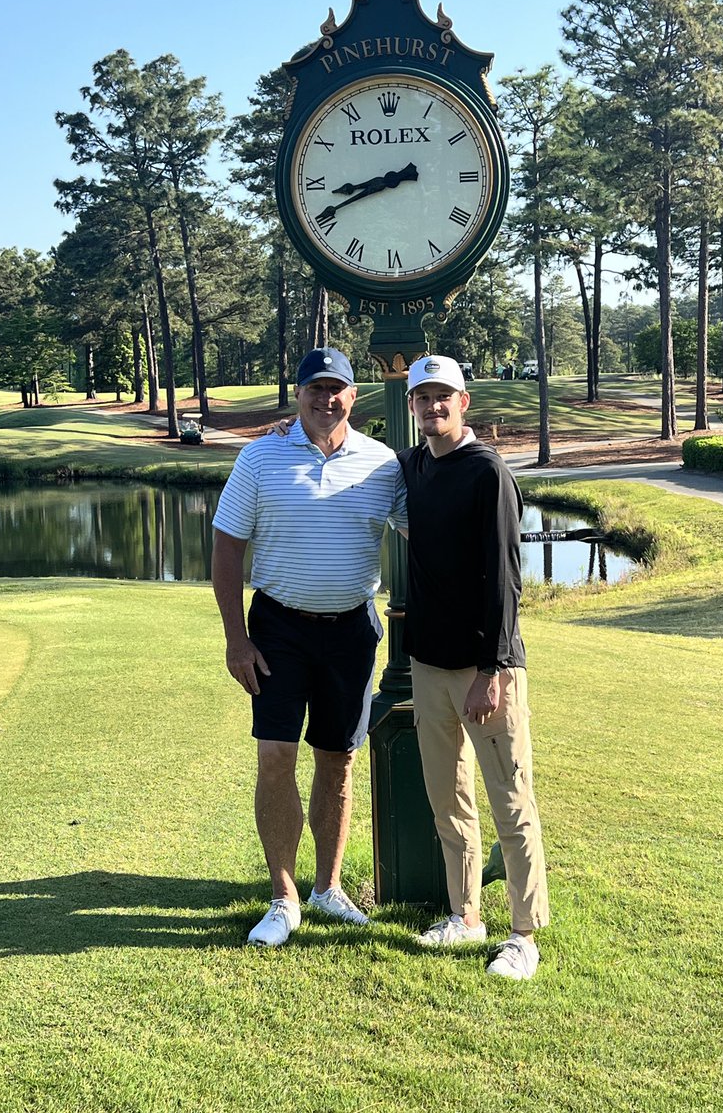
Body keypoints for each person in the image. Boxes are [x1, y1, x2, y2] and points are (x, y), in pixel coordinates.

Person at [211, 347, 407, 948]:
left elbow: (423, 531)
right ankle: (283, 895)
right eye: (315, 389)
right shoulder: (259, 458)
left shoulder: (383, 464)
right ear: (298, 394)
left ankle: (327, 886)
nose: (326, 400)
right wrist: (236, 640)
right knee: (276, 757)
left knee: (339, 761)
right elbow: (226, 549)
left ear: (354, 396)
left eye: (337, 390)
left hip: (351, 630)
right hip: (277, 630)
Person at [399, 355, 549, 980]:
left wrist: (492, 669)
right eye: (422, 398)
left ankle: (523, 933)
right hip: (429, 663)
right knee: (448, 798)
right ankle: (466, 916)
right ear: (412, 407)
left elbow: (506, 579)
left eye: (443, 397)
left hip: (485, 668)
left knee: (510, 800)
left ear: (465, 402)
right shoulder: (412, 465)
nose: (433, 406)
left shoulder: (489, 473)